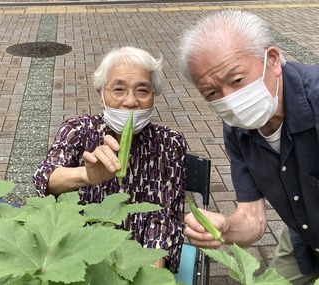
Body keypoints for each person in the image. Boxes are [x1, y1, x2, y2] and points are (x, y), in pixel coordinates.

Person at [177, 9, 319, 284]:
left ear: (273, 60)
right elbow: (253, 218)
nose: (230, 99)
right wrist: (226, 228)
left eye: (237, 80)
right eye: (212, 93)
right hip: (304, 237)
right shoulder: (237, 131)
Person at [33, 46, 188, 273]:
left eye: (142, 91)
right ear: (101, 95)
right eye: (118, 89)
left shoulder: (169, 143)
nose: (131, 101)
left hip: (138, 255)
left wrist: (153, 257)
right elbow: (44, 180)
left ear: (154, 95)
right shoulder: (77, 131)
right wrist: (85, 175)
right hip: (82, 255)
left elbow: (165, 212)